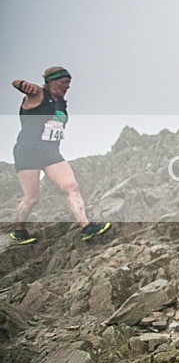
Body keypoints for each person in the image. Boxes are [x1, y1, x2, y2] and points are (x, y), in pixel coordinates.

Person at [10, 67, 112, 244]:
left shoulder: (61, 104)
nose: (67, 87)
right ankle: (19, 230)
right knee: (32, 198)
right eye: (63, 82)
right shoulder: (38, 95)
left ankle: (86, 227)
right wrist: (22, 85)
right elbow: (16, 84)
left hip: (51, 153)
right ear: (50, 81)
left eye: (69, 83)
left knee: (71, 186)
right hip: (28, 152)